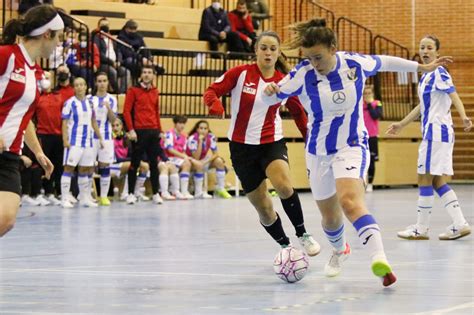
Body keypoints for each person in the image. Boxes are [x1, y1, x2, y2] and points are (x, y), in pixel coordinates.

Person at [263, 19, 452, 286]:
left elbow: (385, 62)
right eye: (309, 58)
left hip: (352, 145)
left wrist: (422, 67)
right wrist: (270, 92)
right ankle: (340, 250)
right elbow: (273, 97)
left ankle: (380, 260)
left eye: (318, 56)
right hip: (318, 152)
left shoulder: (354, 63)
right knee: (329, 219)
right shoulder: (303, 74)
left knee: (350, 201)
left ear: (333, 48)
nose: (314, 63)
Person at [203, 30, 320, 257]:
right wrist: (214, 104)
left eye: (272, 49)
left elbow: (298, 113)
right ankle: (286, 247)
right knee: (264, 209)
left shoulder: (283, 83)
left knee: (284, 185)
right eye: (263, 48)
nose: (268, 53)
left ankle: (303, 233)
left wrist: (309, 139)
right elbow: (211, 91)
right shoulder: (239, 74)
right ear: (255, 50)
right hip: (241, 148)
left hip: (271, 143)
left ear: (278, 54)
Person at [387, 35, 472, 241]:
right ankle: (459, 223)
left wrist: (464, 117)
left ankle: (421, 228)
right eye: (422, 47)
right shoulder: (426, 76)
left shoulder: (439, 72)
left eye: (429, 48)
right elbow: (421, 107)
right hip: (436, 134)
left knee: (423, 178)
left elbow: (454, 95)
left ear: (437, 53)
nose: (425, 51)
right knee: (436, 181)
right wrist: (401, 124)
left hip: (436, 133)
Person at [0, 4, 61, 237]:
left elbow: (25, 117)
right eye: (58, 38)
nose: (59, 44)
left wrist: (37, 152)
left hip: (9, 154)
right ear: (46, 34)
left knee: (5, 219)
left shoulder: (35, 72)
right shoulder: (7, 55)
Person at [122, 65, 164, 205]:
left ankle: (156, 193)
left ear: (153, 75)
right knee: (134, 163)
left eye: (149, 72)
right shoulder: (133, 90)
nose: (146, 75)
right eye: (144, 72)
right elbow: (126, 111)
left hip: (153, 131)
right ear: (141, 75)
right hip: (138, 132)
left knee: (154, 163)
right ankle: (130, 193)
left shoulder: (155, 91)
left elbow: (156, 112)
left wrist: (160, 130)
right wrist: (131, 130)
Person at [61, 77, 104, 208]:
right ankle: (64, 198)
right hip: (74, 141)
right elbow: (64, 123)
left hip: (88, 142)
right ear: (74, 88)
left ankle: (84, 198)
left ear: (86, 87)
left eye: (82, 85)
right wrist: (65, 140)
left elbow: (93, 121)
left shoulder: (90, 103)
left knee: (85, 169)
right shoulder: (70, 103)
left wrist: (100, 137)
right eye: (77, 85)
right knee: (69, 168)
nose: (79, 87)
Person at [35, 71, 64, 205]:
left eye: (48, 78)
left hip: (57, 135)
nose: (46, 80)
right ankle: (42, 191)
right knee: (43, 164)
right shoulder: (37, 97)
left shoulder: (58, 96)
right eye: (44, 78)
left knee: (57, 165)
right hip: (43, 135)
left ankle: (52, 192)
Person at [89, 72, 118, 206]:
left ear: (108, 82)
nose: (102, 84)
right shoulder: (90, 99)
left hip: (106, 137)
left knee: (105, 165)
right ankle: (87, 195)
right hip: (91, 137)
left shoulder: (112, 99)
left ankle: (104, 196)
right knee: (88, 166)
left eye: (104, 81)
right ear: (96, 83)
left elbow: (113, 120)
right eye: (99, 81)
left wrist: (108, 108)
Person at [186, 120, 232, 199]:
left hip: (203, 160)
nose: (203, 130)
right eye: (201, 128)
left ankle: (220, 188)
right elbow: (196, 157)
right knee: (199, 164)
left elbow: (215, 154)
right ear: (197, 129)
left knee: (219, 161)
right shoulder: (192, 139)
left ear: (208, 130)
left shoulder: (211, 137)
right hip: (190, 161)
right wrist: (200, 141)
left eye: (205, 128)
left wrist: (206, 161)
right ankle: (198, 192)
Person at [110, 118, 150, 200]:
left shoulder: (126, 138)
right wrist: (131, 160)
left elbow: (132, 154)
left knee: (144, 166)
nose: (115, 128)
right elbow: (115, 158)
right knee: (131, 165)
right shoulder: (109, 138)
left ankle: (136, 192)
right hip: (112, 165)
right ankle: (126, 194)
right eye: (113, 126)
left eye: (117, 125)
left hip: (124, 163)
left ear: (122, 126)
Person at [93, 17, 129, 93]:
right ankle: (117, 92)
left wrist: (118, 61)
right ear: (98, 26)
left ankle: (122, 92)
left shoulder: (112, 38)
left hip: (115, 63)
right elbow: (99, 53)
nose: (105, 27)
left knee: (126, 72)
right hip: (103, 64)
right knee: (113, 72)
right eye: (102, 25)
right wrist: (111, 62)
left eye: (106, 25)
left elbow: (118, 51)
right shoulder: (96, 37)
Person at [163, 115, 194, 200]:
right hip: (167, 158)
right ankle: (173, 190)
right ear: (175, 124)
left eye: (183, 123)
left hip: (177, 159)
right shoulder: (169, 134)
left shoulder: (184, 136)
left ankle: (184, 191)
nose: (182, 125)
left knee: (187, 163)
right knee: (185, 162)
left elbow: (183, 151)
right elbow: (170, 150)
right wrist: (184, 156)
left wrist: (186, 157)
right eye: (180, 123)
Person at [362, 85, 382, 192]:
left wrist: (369, 104)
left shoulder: (377, 103)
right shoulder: (360, 105)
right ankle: (362, 182)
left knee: (371, 161)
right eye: (365, 93)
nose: (367, 95)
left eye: (369, 93)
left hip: (372, 136)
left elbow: (376, 116)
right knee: (361, 160)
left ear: (372, 94)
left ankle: (370, 183)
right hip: (361, 136)